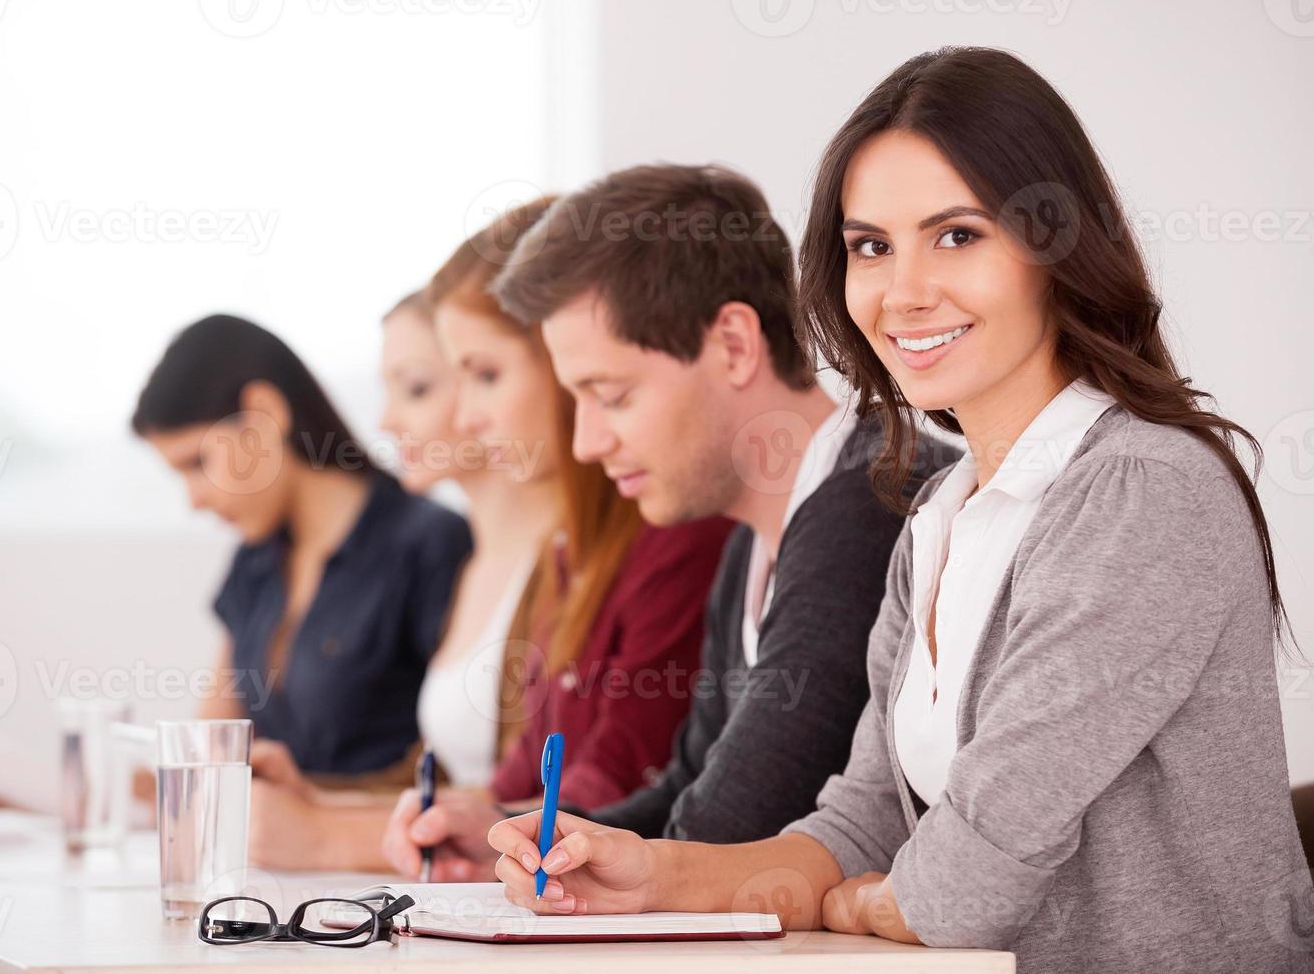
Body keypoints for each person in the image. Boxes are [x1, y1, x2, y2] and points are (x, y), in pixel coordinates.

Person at [485, 47, 1314, 974]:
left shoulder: (1141, 492)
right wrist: (647, 875)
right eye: (870, 246)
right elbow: (861, 817)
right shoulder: (935, 518)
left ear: (1054, 246)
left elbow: (958, 892)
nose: (902, 292)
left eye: (956, 235)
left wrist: (870, 896)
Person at [381, 163, 957, 881]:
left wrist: (563, 849)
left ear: (733, 346)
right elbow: (685, 792)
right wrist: (510, 831)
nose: (586, 442)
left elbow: (728, 825)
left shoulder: (870, 501)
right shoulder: (751, 544)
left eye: (611, 395)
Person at [248, 199, 733, 871]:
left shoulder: (679, 538)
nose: (466, 415)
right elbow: (511, 790)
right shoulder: (569, 556)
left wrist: (328, 835)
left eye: (481, 376)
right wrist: (335, 809)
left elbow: (612, 789)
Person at [243, 288, 549, 867]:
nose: (385, 420)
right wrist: (319, 800)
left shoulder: (482, 550)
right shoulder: (477, 561)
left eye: (417, 388)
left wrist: (324, 833)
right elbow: (460, 790)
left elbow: (564, 803)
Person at [132, 313, 471, 783]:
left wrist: (308, 817)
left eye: (198, 462)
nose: (194, 500)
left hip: (381, 852)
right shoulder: (255, 562)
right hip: (267, 853)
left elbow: (457, 773)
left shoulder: (430, 543)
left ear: (264, 414)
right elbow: (204, 753)